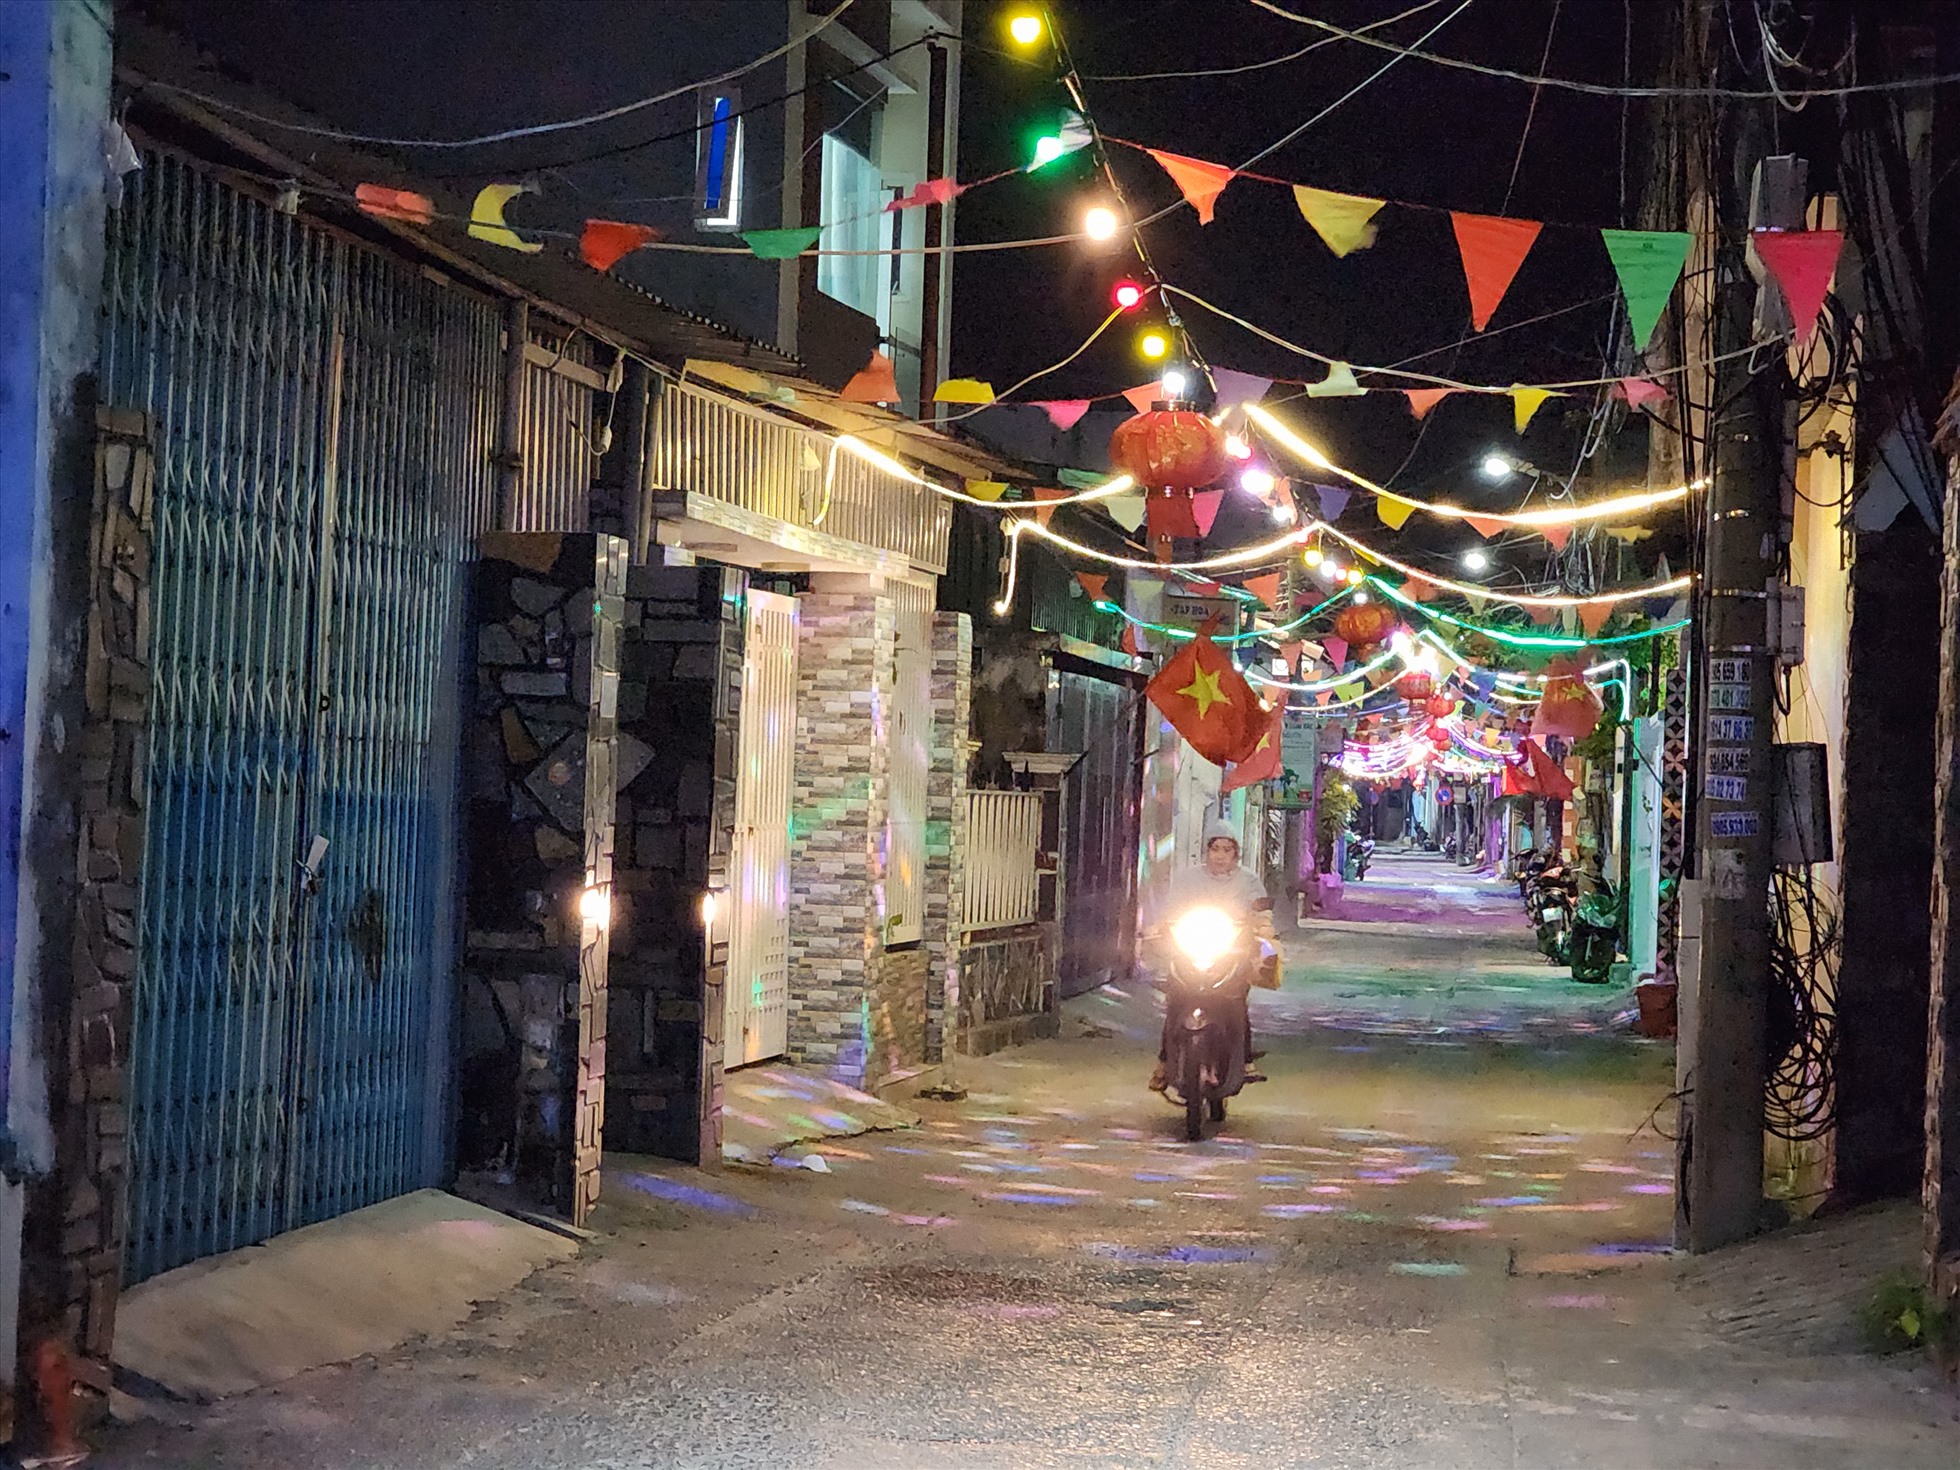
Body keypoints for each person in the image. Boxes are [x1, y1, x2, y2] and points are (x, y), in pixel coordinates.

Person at [1148, 819, 1279, 1092]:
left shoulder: (1248, 880)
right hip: (1191, 949)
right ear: (1206, 851)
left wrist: (1264, 926)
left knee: (1236, 1002)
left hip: (1230, 953)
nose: (1220, 856)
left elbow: (1261, 911)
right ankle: (1163, 1062)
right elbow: (1169, 909)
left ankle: (1245, 1061)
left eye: (1226, 850)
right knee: (1176, 1001)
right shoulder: (1187, 879)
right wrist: (1158, 926)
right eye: (1215, 849)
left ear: (1236, 854)